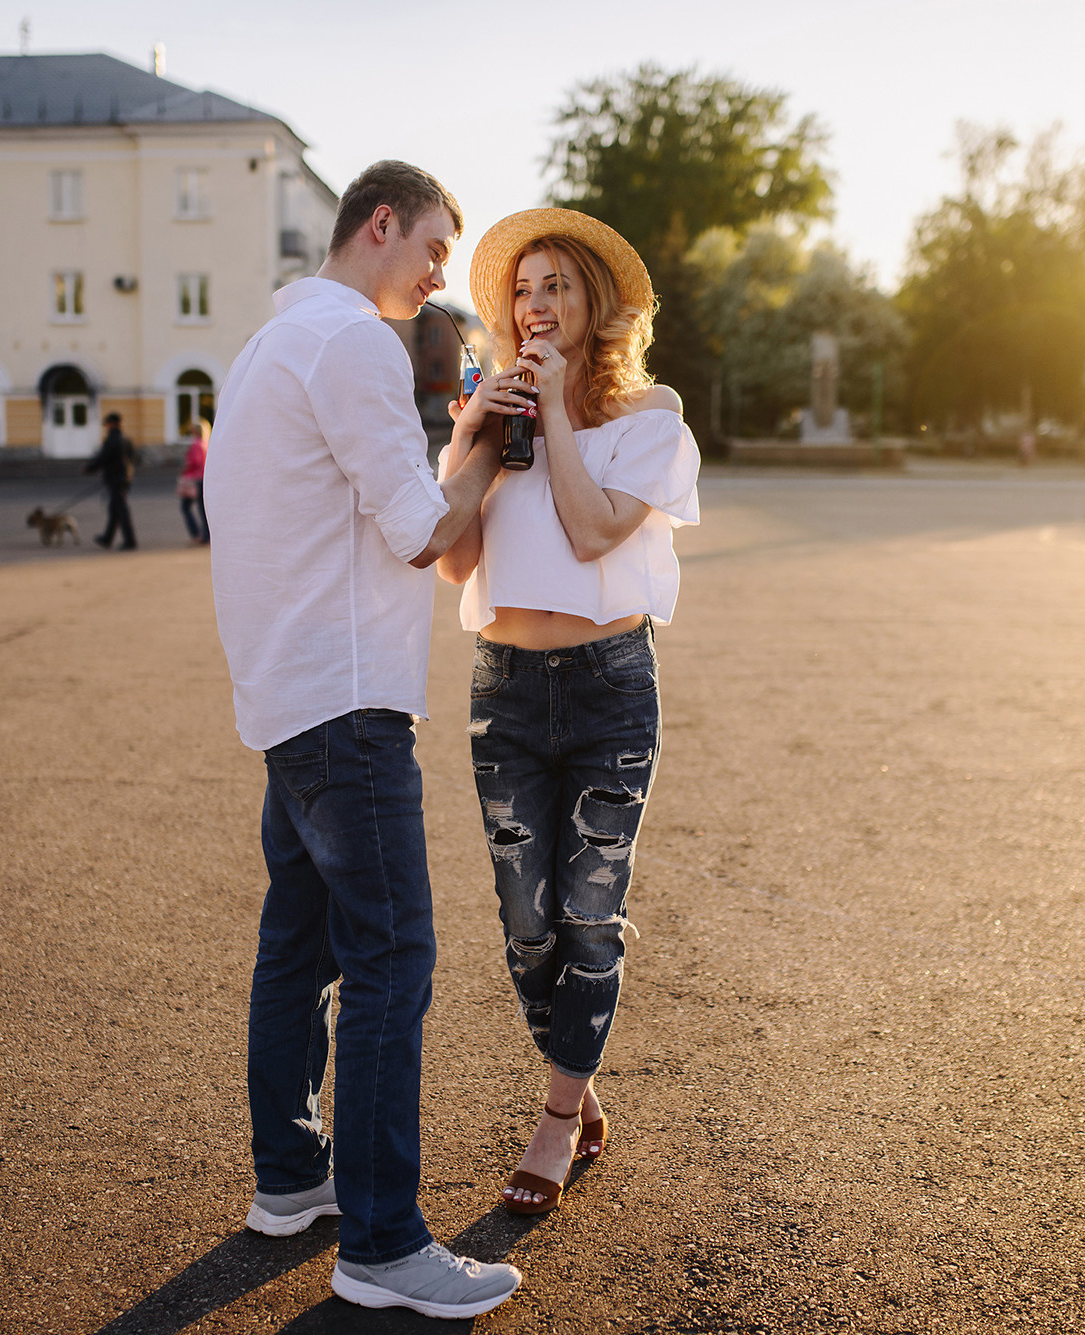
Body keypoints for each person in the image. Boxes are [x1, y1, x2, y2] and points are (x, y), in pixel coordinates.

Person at [206, 161, 521, 1319]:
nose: (442, 275)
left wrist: (454, 444)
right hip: (344, 704)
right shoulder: (349, 346)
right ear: (377, 224)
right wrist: (488, 437)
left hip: (287, 700)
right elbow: (422, 535)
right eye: (436, 246)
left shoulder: (264, 346)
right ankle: (383, 1242)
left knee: (299, 947)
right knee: (391, 958)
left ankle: (292, 1181)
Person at [435, 208, 700, 1215]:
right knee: (525, 927)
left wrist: (548, 412)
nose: (536, 303)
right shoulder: (490, 407)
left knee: (588, 917)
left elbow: (592, 534)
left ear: (593, 305)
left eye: (557, 286)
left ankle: (552, 1123)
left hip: (605, 687)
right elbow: (454, 559)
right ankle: (579, 1089)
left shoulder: (648, 413)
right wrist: (471, 431)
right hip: (503, 688)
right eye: (523, 287)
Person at [84, 412, 137, 550]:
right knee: (114, 509)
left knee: (121, 510)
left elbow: (103, 458)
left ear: (112, 424)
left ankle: (130, 541)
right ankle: (107, 538)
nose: (106, 427)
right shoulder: (126, 439)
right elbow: (134, 459)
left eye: (107, 424)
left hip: (115, 479)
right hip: (125, 479)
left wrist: (89, 468)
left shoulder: (112, 440)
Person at [177, 419, 210, 546]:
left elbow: (194, 462)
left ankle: (197, 533)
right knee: (203, 508)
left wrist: (184, 467)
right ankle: (206, 534)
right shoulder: (206, 443)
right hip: (203, 478)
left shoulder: (196, 444)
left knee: (186, 507)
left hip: (194, 478)